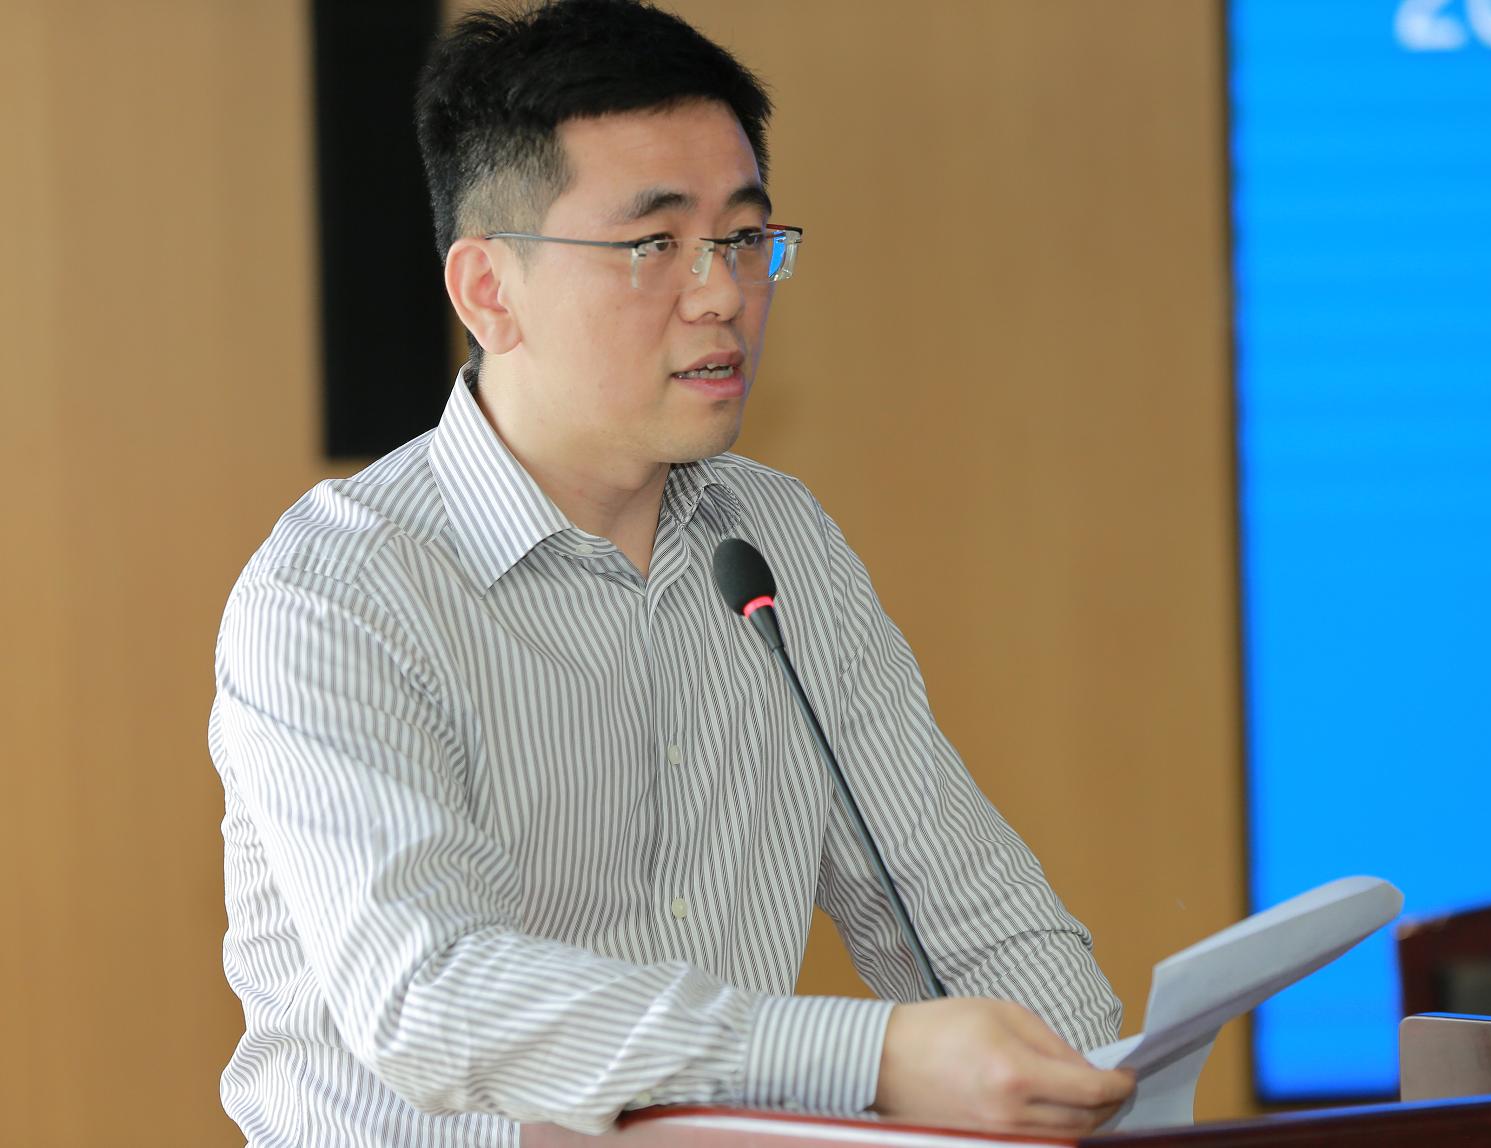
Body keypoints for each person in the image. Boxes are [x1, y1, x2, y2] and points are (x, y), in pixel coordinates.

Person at [209, 1, 1133, 1143]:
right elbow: (431, 995)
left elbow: (963, 910)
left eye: (743, 238)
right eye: (654, 245)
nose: (722, 293)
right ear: (490, 290)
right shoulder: (337, 592)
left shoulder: (777, 541)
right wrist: (870, 1060)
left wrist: (1098, 1091)